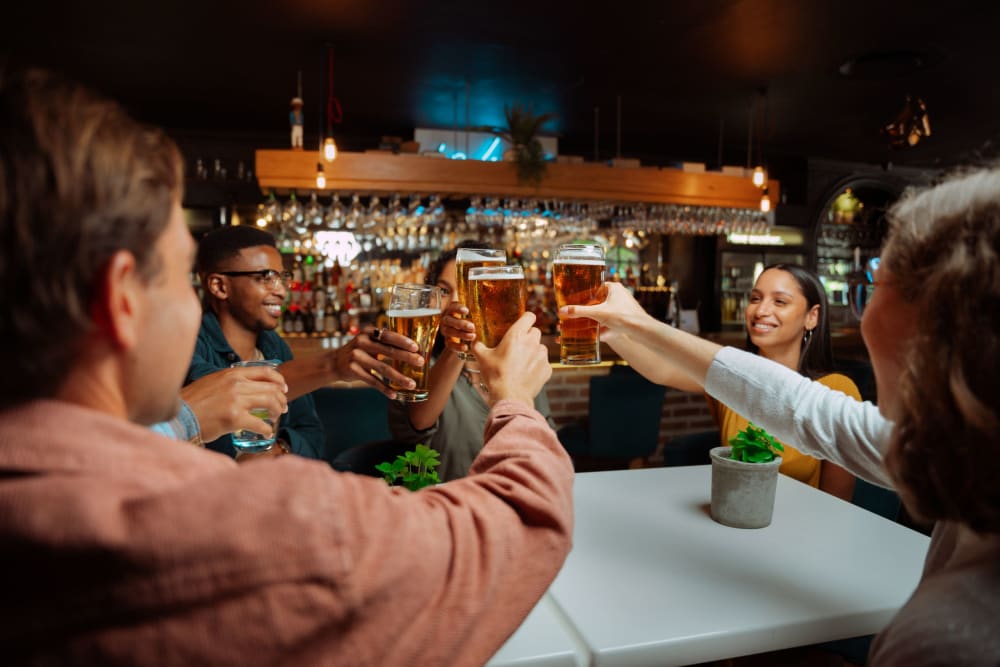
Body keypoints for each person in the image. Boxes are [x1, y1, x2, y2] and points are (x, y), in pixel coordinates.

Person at [0, 68, 574, 665]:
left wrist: (189, 417)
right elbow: (520, 530)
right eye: (178, 276)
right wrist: (518, 402)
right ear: (121, 300)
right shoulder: (280, 529)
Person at [561, 167, 1000, 665]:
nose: (865, 308)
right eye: (755, 297)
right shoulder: (942, 450)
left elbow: (805, 419)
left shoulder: (951, 636)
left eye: (879, 282)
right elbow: (794, 406)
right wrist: (622, 330)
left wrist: (638, 323)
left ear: (940, 323)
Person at [188, 225, 423, 460]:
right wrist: (333, 365)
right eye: (266, 277)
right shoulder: (188, 344)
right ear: (219, 286)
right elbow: (219, 392)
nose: (281, 291)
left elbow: (312, 433)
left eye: (282, 278)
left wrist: (277, 451)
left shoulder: (273, 346)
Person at [388, 243, 556, 480]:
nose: (456, 302)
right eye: (444, 291)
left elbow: (546, 442)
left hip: (511, 504)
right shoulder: (413, 359)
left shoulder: (518, 365)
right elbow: (420, 420)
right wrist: (457, 346)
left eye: (468, 288)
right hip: (444, 507)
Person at [710, 264, 858, 500]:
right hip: (735, 521)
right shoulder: (730, 378)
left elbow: (838, 501)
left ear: (812, 317)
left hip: (801, 528)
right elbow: (662, 365)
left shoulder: (834, 390)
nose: (760, 311)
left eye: (780, 302)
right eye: (755, 298)